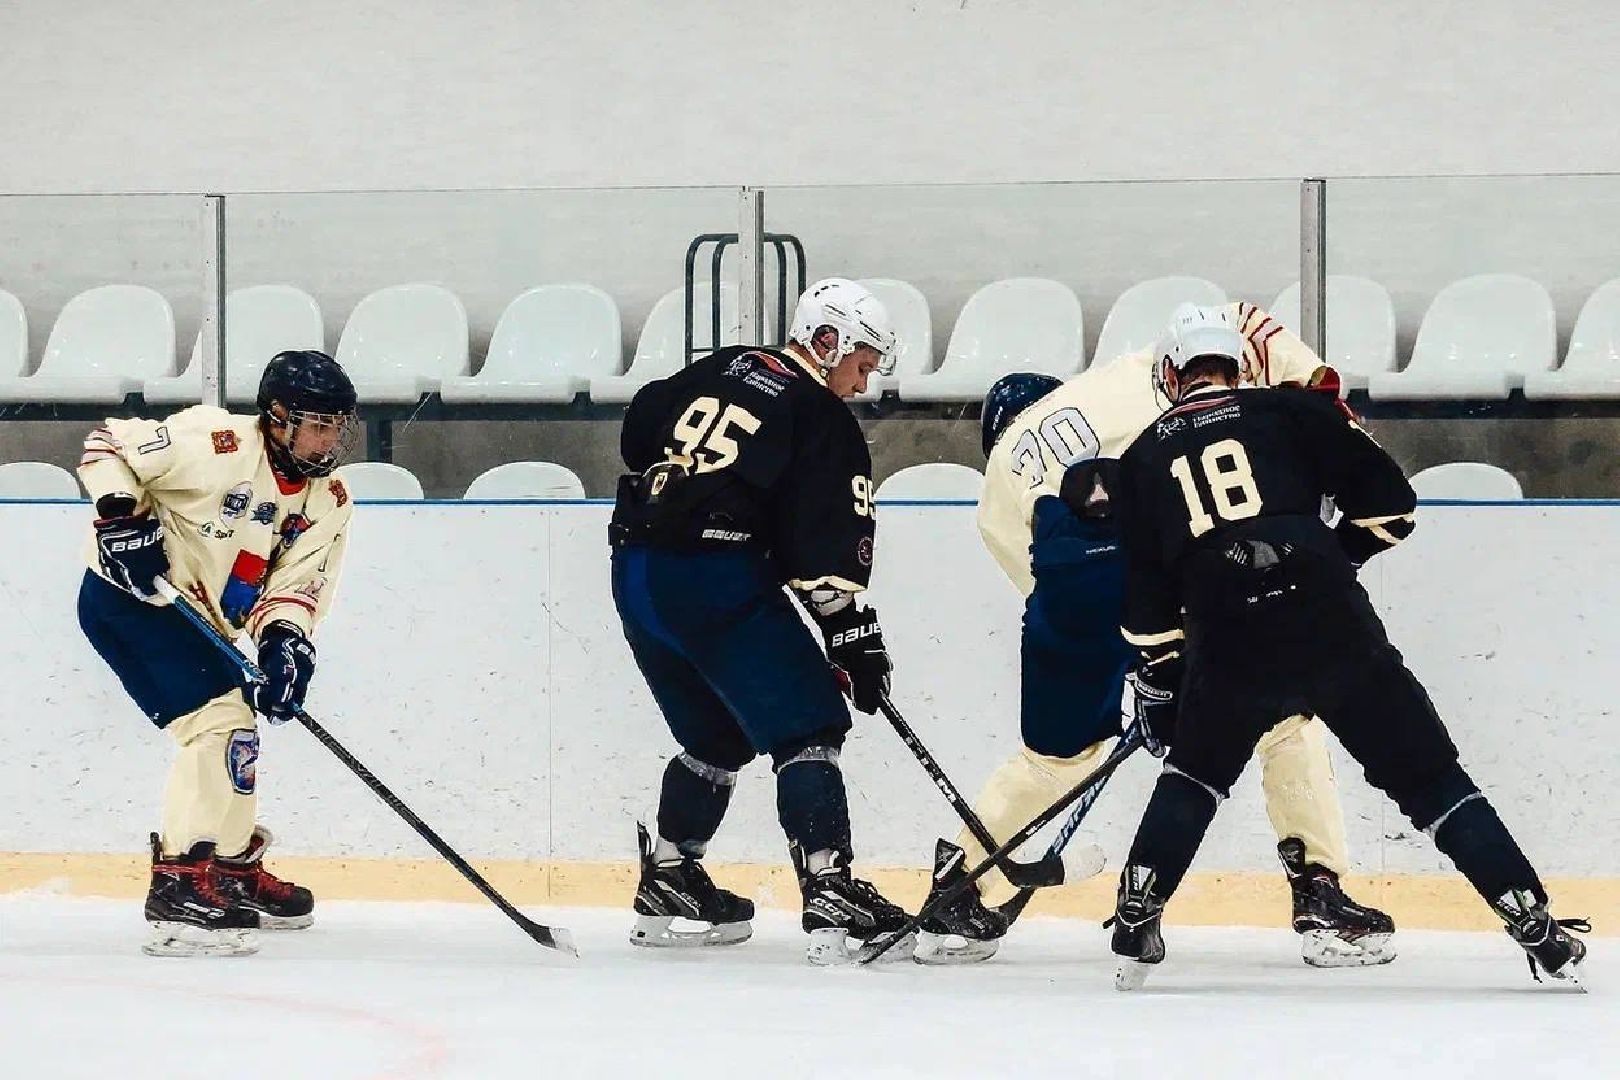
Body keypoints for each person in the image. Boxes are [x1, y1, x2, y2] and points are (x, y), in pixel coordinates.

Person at [1106, 303, 1588, 989]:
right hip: (1331, 622)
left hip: (1230, 638)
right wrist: (1331, 555)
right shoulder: (1290, 412)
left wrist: (1165, 674)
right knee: (1430, 781)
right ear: (1233, 366)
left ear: (1170, 375)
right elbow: (1393, 505)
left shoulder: (1139, 459)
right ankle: (1530, 918)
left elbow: (1146, 612)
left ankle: (1137, 909)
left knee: (1194, 778)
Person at [917, 301, 1392, 967]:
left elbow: (1054, 597)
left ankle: (959, 892)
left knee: (1056, 756)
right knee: (1286, 718)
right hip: (1162, 568)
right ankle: (1317, 888)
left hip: (1072, 592)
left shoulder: (1001, 477)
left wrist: (1144, 668)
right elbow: (1254, 331)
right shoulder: (1158, 377)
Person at [610, 278, 915, 964]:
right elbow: (825, 550)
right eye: (862, 365)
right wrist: (854, 637)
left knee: (716, 734)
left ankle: (669, 876)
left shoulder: (723, 364)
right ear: (828, 341)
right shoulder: (822, 418)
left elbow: (640, 430)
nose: (863, 385)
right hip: (710, 577)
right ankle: (829, 884)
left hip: (634, 573)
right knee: (809, 723)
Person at [76, 350, 358, 957]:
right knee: (218, 724)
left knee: (239, 731)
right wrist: (121, 519)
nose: (329, 437)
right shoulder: (217, 442)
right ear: (277, 418)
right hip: (130, 601)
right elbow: (108, 446)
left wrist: (283, 645)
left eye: (338, 424)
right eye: (317, 423)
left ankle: (230, 870)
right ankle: (177, 883)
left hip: (200, 620)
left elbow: (293, 586)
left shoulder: (329, 500)